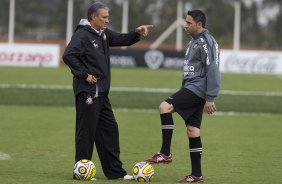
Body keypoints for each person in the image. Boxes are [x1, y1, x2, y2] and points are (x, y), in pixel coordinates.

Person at [63, 2, 153, 181]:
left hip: (102, 92)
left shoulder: (102, 33)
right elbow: (68, 55)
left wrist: (136, 33)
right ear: (93, 18)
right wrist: (84, 74)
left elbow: (121, 39)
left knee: (110, 130)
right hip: (88, 91)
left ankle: (115, 173)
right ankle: (81, 172)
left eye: (107, 17)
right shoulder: (82, 35)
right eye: (104, 17)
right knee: (86, 132)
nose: (107, 20)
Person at [146, 10, 220, 183]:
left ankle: (165, 153)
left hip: (198, 89)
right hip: (191, 87)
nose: (186, 25)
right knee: (193, 130)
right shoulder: (193, 42)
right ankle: (196, 175)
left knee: (164, 107)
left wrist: (211, 97)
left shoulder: (206, 42)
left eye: (189, 22)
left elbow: (213, 68)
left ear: (199, 24)